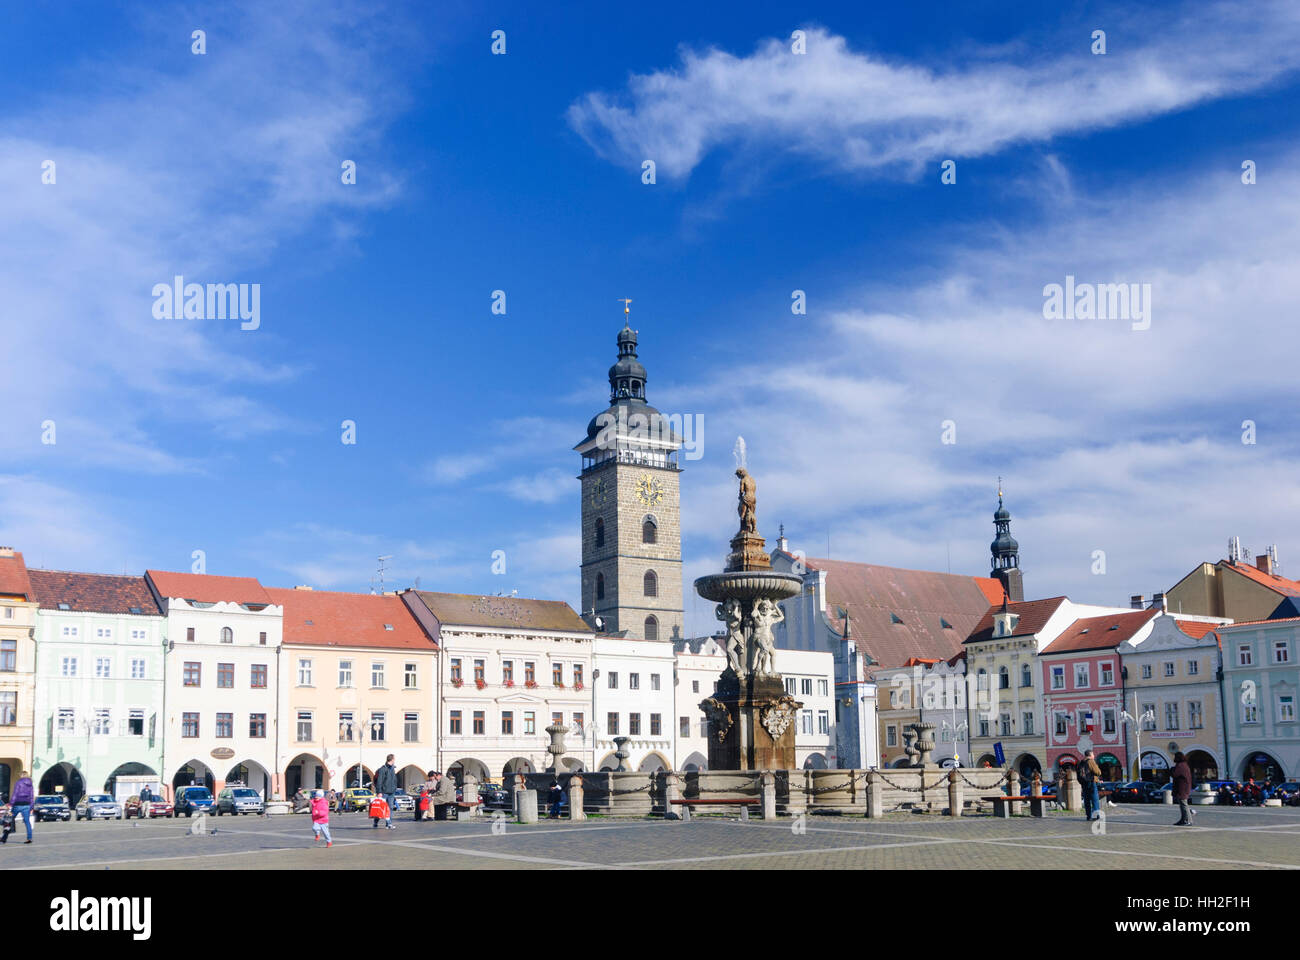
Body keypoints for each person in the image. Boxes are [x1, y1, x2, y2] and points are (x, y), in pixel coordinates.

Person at [374, 755, 398, 830]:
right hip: (384, 792)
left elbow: (394, 780)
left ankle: (389, 824)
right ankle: (376, 821)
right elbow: (379, 781)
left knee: (390, 808)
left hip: (391, 792)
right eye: (394, 759)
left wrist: (394, 788)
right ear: (392, 759)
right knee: (380, 808)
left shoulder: (393, 769)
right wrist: (379, 792)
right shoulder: (383, 769)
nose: (395, 760)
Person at [8, 771, 34, 844]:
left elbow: (15, 794)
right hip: (27, 805)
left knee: (9, 819)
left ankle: (4, 837)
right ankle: (29, 838)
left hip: (17, 804)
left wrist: (11, 804)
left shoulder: (18, 782)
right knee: (27, 822)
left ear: (22, 775)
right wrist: (31, 806)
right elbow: (32, 796)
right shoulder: (30, 784)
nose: (19, 776)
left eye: (20, 775)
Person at [1171, 751, 1195, 826]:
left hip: (1182, 788)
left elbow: (1175, 774)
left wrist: (1171, 770)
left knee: (1184, 804)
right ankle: (1183, 819)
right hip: (1184, 787)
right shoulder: (1184, 765)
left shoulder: (1180, 765)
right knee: (1182, 804)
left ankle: (1188, 820)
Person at [1077, 751, 1102, 821]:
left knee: (1086, 800)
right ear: (1090, 755)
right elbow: (1098, 772)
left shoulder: (1081, 762)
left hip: (1084, 783)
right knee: (1095, 800)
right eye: (1093, 754)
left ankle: (1089, 816)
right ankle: (1095, 815)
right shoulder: (1090, 761)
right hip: (1091, 782)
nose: (1094, 755)